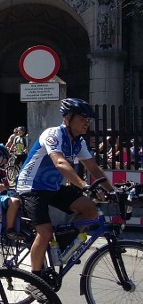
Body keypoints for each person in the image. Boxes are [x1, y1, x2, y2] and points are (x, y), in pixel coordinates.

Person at [16, 98, 113, 281]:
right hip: (31, 186)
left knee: (89, 209)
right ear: (68, 118)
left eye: (88, 120)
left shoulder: (78, 142)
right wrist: (84, 185)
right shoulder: (53, 134)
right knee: (44, 232)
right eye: (83, 119)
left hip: (52, 187)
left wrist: (112, 190)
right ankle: (35, 280)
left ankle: (60, 245)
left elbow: (93, 167)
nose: (87, 123)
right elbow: (59, 162)